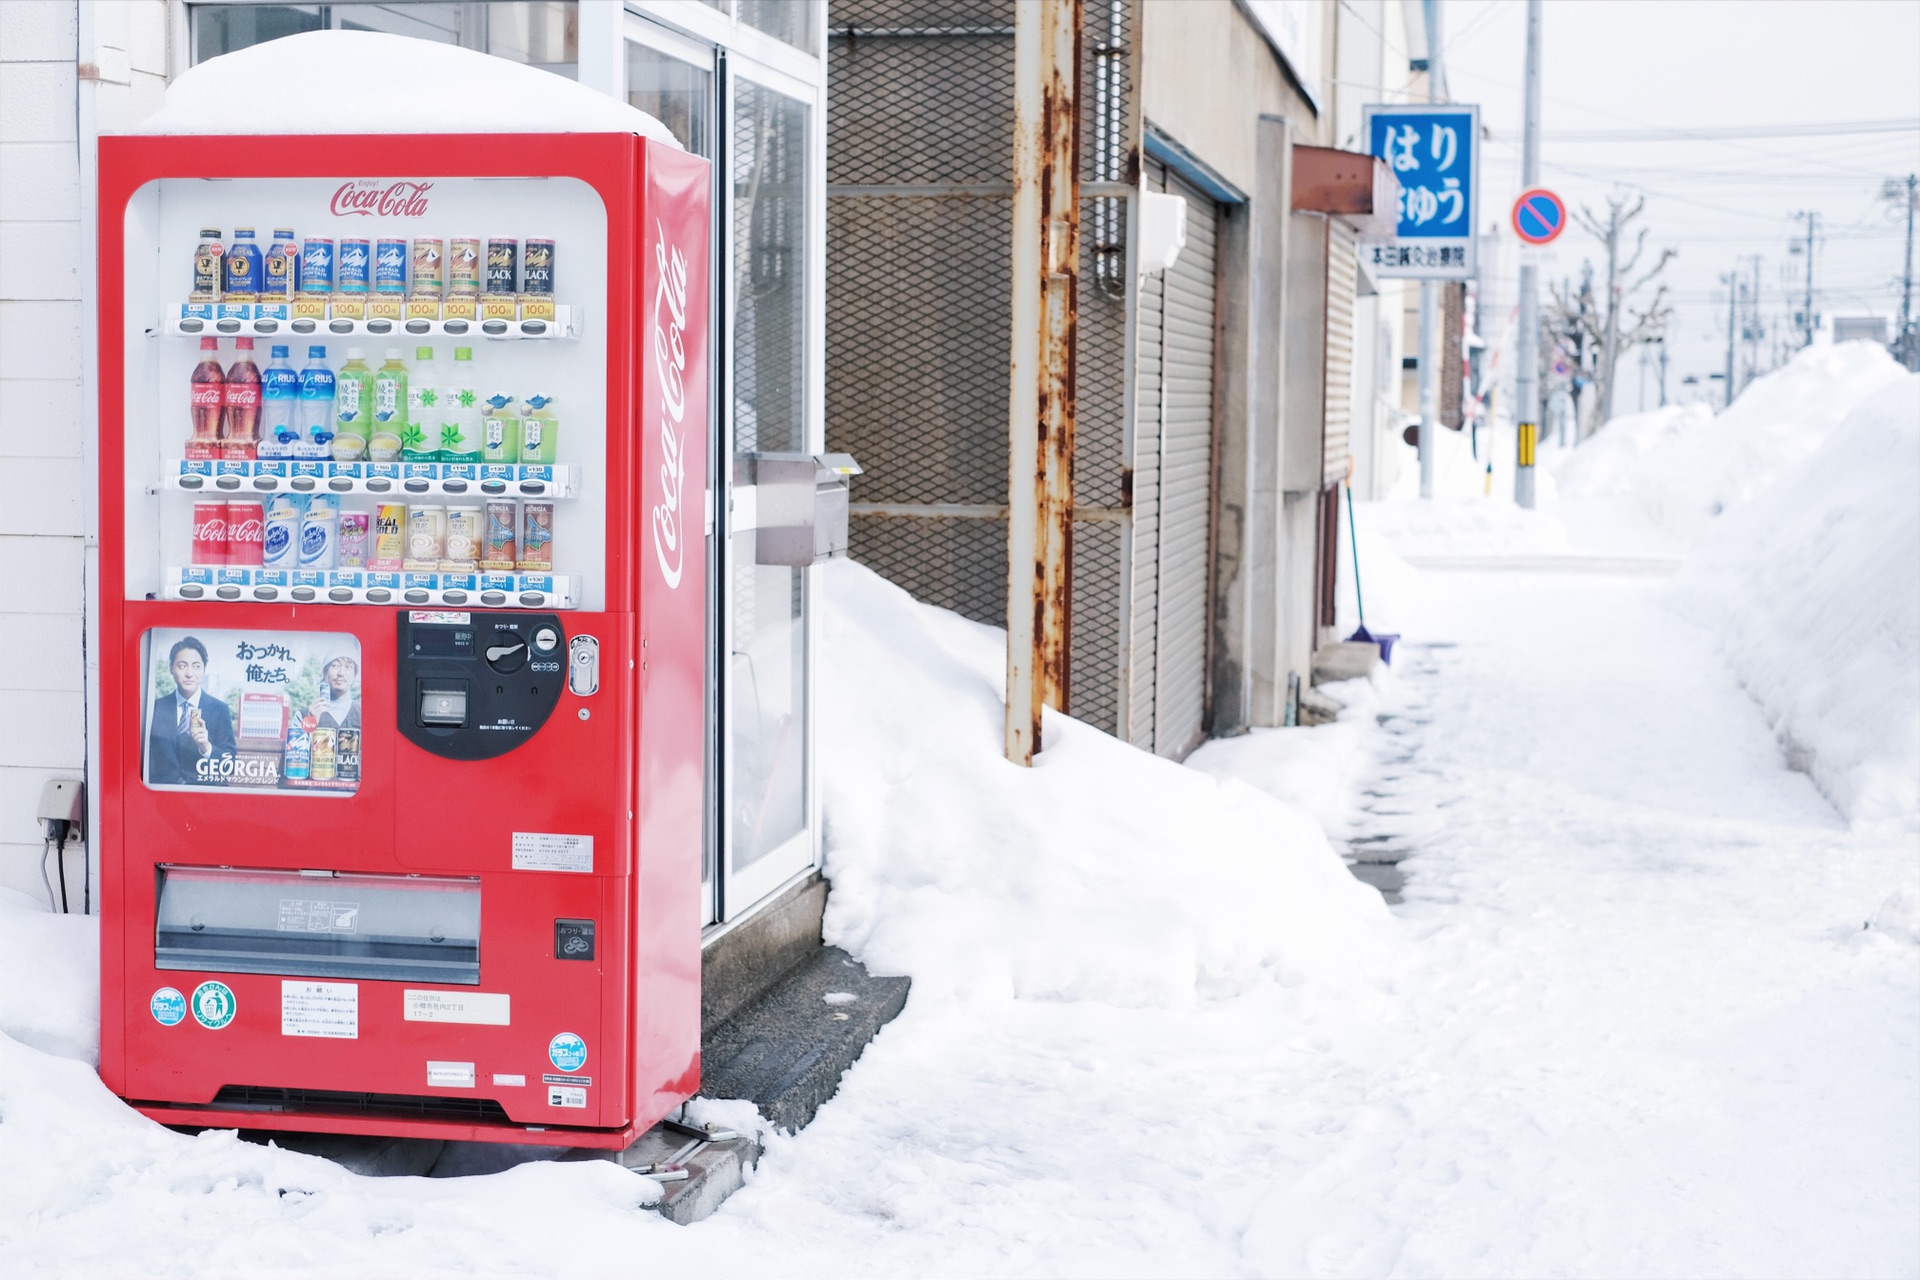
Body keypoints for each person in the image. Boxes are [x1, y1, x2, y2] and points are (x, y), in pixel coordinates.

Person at [147, 636, 236, 785]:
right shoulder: (156, 708)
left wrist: (206, 747)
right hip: (164, 796)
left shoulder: (220, 710)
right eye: (182, 666)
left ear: (203, 670)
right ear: (171, 668)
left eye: (196, 666)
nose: (189, 673)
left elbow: (231, 765)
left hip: (206, 795)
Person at [307, 652, 361, 729]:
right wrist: (311, 725)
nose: (341, 673)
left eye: (348, 667)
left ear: (354, 674)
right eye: (335, 666)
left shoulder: (366, 714)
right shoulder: (303, 715)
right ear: (325, 672)